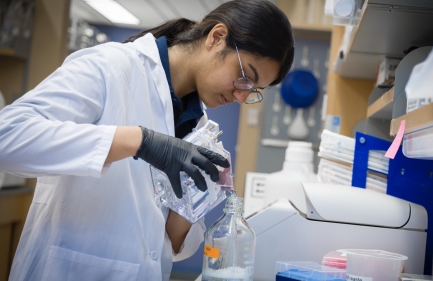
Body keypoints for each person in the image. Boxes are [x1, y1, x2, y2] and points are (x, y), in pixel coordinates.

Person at [0, 0, 294, 280]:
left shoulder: (199, 126)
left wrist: (191, 204)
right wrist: (139, 141)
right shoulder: (110, 67)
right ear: (216, 37)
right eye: (245, 76)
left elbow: (172, 245)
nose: (242, 96)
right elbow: (8, 137)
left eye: (254, 90)